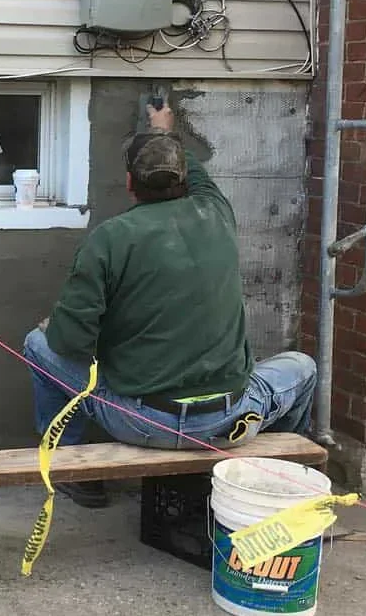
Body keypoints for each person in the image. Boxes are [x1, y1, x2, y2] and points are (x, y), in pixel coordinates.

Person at [23, 100, 317, 509]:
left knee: (38, 345)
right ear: (183, 179)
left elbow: (70, 343)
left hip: (142, 422)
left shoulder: (110, 238)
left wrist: (54, 326)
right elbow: (197, 177)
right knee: (302, 368)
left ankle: (73, 470)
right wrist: (164, 131)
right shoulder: (216, 211)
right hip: (229, 419)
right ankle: (265, 482)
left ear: (129, 184)